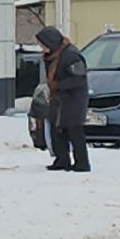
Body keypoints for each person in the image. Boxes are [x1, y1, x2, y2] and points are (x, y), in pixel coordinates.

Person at [36, 26, 91, 173]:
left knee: (74, 130)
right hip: (59, 99)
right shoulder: (52, 56)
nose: (41, 48)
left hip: (73, 99)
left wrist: (58, 85)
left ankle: (82, 162)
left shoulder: (71, 55)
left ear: (51, 42)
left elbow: (79, 78)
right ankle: (62, 160)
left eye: (43, 44)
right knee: (57, 129)